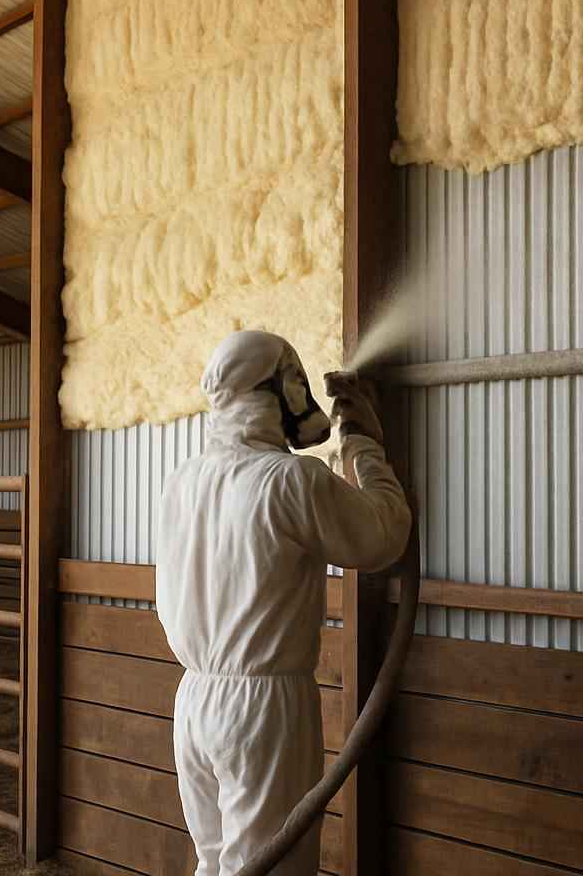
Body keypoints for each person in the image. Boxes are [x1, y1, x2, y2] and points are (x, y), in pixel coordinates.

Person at [155, 330, 413, 876]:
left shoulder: (182, 481)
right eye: (295, 380)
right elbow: (383, 537)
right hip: (263, 711)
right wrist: (363, 444)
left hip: (194, 702)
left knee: (214, 863)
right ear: (277, 390)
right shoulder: (290, 480)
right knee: (271, 868)